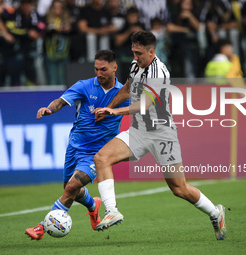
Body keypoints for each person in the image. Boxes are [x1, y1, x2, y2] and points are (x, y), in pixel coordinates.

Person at [93, 30, 227, 241]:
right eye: (133, 52)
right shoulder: (136, 66)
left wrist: (116, 112)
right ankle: (112, 211)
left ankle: (215, 212)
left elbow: (145, 104)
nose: (135, 57)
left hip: (162, 135)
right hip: (138, 132)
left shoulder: (160, 72)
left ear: (151, 51)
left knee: (179, 188)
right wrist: (107, 108)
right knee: (102, 158)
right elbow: (128, 89)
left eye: (139, 53)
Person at [25, 50, 129, 240]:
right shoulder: (84, 86)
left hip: (98, 153)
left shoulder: (123, 93)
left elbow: (137, 109)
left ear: (115, 67)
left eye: (103, 69)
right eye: (96, 69)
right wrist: (49, 109)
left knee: (72, 187)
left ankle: (42, 226)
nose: (99, 73)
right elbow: (61, 101)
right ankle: (93, 205)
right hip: (75, 147)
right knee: (71, 189)